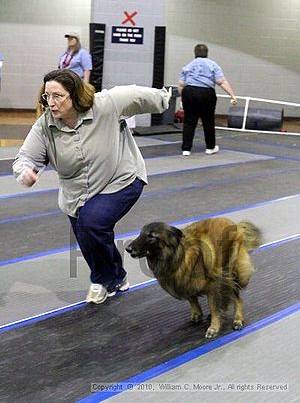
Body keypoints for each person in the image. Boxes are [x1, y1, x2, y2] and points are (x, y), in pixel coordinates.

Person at [13, 69, 171, 304]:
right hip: (76, 195)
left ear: (75, 94)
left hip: (121, 180)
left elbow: (137, 95)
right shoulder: (44, 126)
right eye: (47, 97)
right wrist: (25, 171)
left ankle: (102, 279)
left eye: (58, 96)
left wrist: (163, 98)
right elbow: (25, 157)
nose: (51, 103)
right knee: (89, 237)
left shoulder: (106, 104)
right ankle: (116, 277)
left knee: (92, 223)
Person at [178, 44, 237, 156]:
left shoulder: (188, 66)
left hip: (189, 91)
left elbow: (181, 84)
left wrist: (183, 99)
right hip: (206, 93)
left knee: (189, 122)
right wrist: (232, 95)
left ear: (194, 53)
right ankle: (210, 147)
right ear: (207, 53)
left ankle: (186, 149)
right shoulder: (213, 65)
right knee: (208, 121)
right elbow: (221, 82)